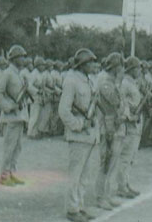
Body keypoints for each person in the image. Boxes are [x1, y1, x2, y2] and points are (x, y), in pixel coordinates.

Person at [58, 48, 100, 222]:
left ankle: (80, 205)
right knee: (75, 174)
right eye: (89, 62)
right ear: (81, 64)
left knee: (86, 174)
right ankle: (72, 209)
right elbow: (63, 111)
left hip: (90, 135)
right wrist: (79, 125)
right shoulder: (71, 81)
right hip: (78, 136)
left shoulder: (89, 81)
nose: (92, 65)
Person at [0, 45, 30, 186]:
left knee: (17, 147)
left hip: (19, 116)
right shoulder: (7, 73)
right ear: (14, 59)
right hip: (11, 117)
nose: (23, 59)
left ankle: (11, 173)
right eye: (21, 56)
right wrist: (8, 107)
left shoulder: (19, 74)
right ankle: (4, 176)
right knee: (9, 148)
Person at [95, 52, 125, 210]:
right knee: (106, 163)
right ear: (114, 67)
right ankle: (101, 197)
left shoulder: (111, 80)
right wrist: (118, 81)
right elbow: (114, 101)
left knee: (113, 162)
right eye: (120, 66)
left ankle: (107, 195)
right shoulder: (106, 81)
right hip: (107, 126)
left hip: (113, 124)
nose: (122, 69)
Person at [116, 56, 145, 199]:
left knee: (131, 156)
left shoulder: (132, 82)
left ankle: (126, 184)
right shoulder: (125, 83)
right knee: (125, 156)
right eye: (138, 67)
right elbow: (122, 102)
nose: (139, 70)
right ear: (132, 69)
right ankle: (121, 186)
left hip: (136, 122)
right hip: (129, 124)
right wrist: (129, 116)